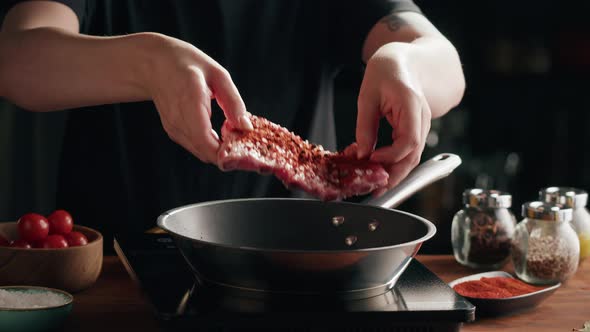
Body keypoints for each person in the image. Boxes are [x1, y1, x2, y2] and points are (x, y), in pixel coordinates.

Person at [0, 1, 465, 242]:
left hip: (300, 262)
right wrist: (148, 63)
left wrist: (402, 63)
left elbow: (445, 63)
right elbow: (16, 60)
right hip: (120, 265)